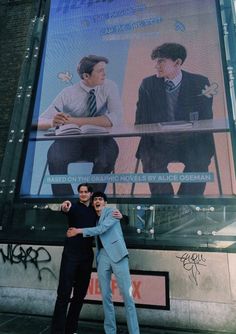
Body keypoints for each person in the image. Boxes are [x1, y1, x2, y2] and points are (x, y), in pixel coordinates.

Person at [135, 43, 215, 195]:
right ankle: (167, 205)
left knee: (200, 157)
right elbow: (140, 122)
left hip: (191, 141)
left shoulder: (200, 83)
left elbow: (206, 119)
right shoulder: (148, 85)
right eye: (156, 61)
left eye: (161, 61)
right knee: (150, 159)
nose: (156, 66)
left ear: (177, 62)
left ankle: (186, 203)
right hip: (159, 142)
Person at [38, 55, 123, 195]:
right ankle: (66, 201)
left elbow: (116, 118)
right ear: (86, 76)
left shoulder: (109, 86)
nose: (105, 74)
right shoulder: (68, 93)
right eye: (100, 71)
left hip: (99, 141)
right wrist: (53, 121)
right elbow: (39, 121)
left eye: (104, 70)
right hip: (71, 142)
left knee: (108, 154)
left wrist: (73, 121)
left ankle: (93, 199)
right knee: (54, 156)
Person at [51, 183, 122, 334]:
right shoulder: (73, 207)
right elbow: (65, 208)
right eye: (80, 192)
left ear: (90, 194)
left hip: (86, 256)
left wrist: (121, 215)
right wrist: (64, 206)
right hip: (70, 254)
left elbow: (110, 218)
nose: (83, 194)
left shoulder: (95, 210)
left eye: (85, 192)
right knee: (64, 293)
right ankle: (57, 331)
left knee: (79, 295)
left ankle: (71, 329)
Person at [67, 191, 140, 334]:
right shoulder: (94, 217)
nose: (97, 201)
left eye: (100, 199)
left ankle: (134, 332)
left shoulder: (112, 211)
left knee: (127, 296)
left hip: (118, 256)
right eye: (95, 200)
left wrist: (78, 231)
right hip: (103, 257)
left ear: (105, 202)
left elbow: (101, 229)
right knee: (106, 297)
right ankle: (110, 331)